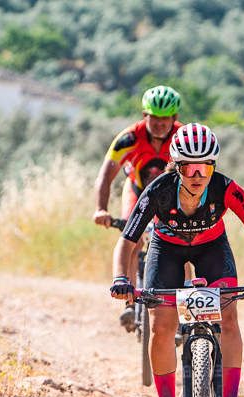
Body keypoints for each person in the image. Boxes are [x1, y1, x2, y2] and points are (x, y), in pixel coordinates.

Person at [109, 123, 244, 397]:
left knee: (230, 320)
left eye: (205, 166)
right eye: (190, 167)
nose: (198, 174)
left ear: (213, 166)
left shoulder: (225, 188)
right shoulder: (159, 191)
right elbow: (127, 242)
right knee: (162, 328)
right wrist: (122, 279)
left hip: (212, 249)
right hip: (167, 251)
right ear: (177, 167)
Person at [92, 85, 183, 330]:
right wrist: (101, 208)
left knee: (184, 241)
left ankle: (187, 302)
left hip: (172, 197)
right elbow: (106, 174)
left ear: (174, 118)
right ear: (145, 116)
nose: (160, 124)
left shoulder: (181, 136)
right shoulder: (129, 138)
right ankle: (130, 304)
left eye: (165, 119)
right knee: (133, 240)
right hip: (137, 191)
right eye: (155, 118)